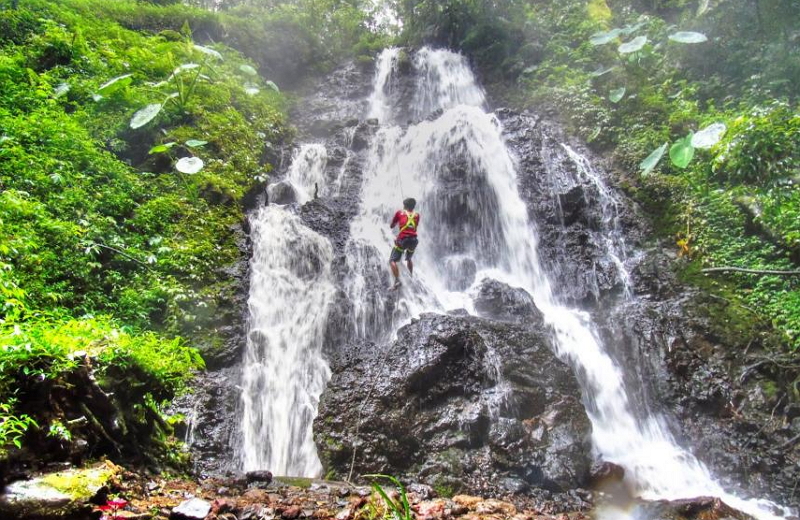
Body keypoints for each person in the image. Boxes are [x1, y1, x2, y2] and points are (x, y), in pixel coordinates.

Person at [389, 197, 420, 290]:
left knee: (392, 260)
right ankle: (411, 275)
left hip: (403, 240)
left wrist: (396, 223)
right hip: (414, 240)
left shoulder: (399, 213)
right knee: (409, 258)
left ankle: (397, 280)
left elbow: (392, 226)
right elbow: (414, 226)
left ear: (405, 206)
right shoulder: (417, 215)